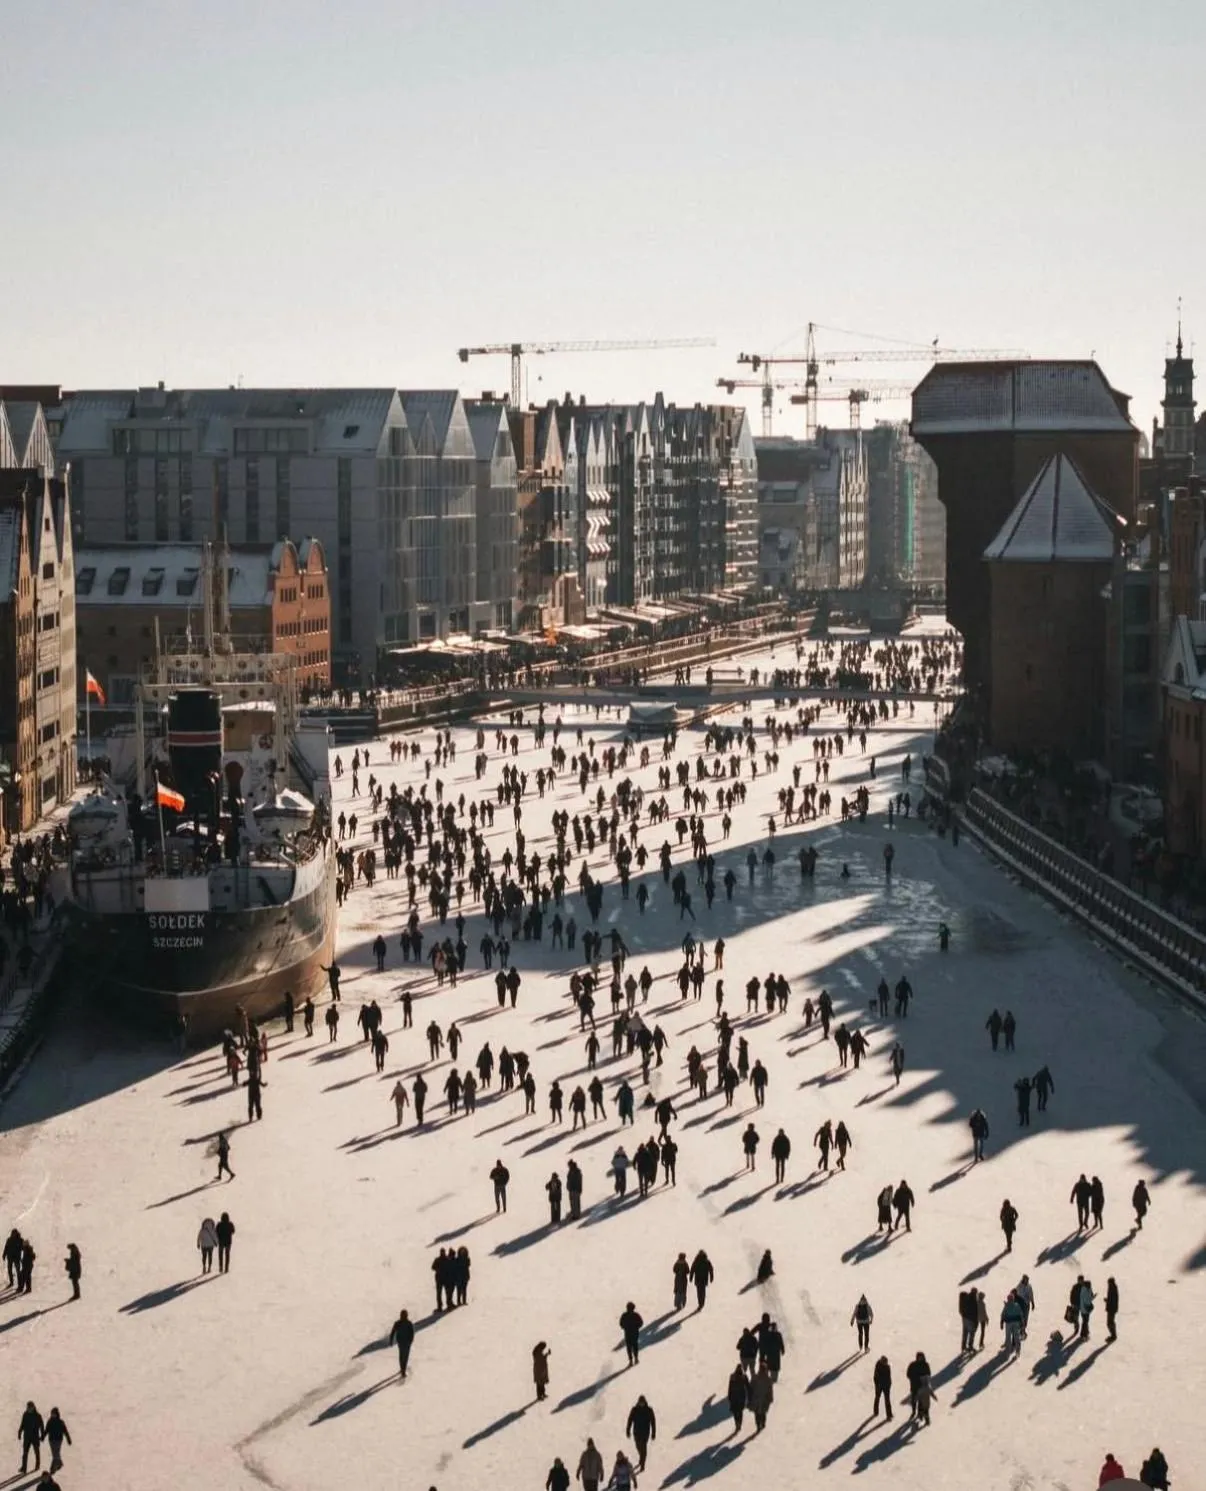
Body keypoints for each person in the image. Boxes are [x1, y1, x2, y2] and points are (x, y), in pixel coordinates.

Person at [625, 1395, 656, 1470]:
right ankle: (641, 1457)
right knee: (638, 1446)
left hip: (645, 1433)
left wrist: (653, 1433)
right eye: (640, 1402)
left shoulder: (649, 1410)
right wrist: (628, 1430)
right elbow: (630, 1420)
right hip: (636, 1432)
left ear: (645, 1402)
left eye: (642, 1402)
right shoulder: (634, 1410)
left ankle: (642, 1464)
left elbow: (653, 1422)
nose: (641, 1404)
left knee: (644, 1448)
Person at [42, 1409, 70, 1474]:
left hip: (58, 1440)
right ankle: (59, 1463)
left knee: (55, 1454)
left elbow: (65, 1431)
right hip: (51, 1440)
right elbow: (46, 1430)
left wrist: (68, 1439)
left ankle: (52, 1468)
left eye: (54, 1414)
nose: (52, 1415)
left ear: (57, 1414)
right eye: (52, 1413)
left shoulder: (61, 1422)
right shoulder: (50, 1421)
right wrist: (43, 1437)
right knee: (55, 1453)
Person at [18, 1403, 43, 1474]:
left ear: (33, 1407)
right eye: (28, 1407)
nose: (29, 1409)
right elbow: (22, 1424)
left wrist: (42, 1435)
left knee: (37, 1452)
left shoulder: (38, 1416)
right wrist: (19, 1432)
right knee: (25, 1453)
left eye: (30, 1407)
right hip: (27, 1437)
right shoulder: (25, 1414)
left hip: (35, 1437)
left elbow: (41, 1426)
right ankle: (24, 1468)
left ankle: (37, 1465)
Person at [389, 1308, 414, 1377]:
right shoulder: (408, 1323)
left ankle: (403, 1369)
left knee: (402, 1355)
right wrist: (410, 1341)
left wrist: (391, 1340)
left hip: (402, 1342)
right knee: (405, 1356)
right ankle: (403, 1369)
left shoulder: (398, 1323)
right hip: (404, 1342)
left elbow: (393, 1332)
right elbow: (412, 1333)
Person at [748, 1363, 774, 1432]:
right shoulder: (768, 1379)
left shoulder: (755, 1377)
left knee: (757, 1414)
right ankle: (763, 1423)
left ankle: (758, 1425)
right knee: (763, 1413)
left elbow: (751, 1388)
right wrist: (770, 1398)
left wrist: (750, 1398)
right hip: (765, 1400)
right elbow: (770, 1390)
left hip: (756, 1399)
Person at [727, 1363, 748, 1434]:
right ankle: (739, 1424)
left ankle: (737, 1423)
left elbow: (730, 1387)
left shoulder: (732, 1376)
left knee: (735, 1412)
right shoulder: (744, 1377)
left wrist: (729, 1396)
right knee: (740, 1412)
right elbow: (747, 1386)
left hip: (734, 1397)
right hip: (741, 1397)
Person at [872, 1355, 893, 1420]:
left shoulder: (887, 1367)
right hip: (879, 1386)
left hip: (886, 1386)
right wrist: (877, 1385)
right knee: (877, 1398)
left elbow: (889, 1377)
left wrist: (889, 1384)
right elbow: (875, 1378)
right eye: (885, 1362)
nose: (886, 1363)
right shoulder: (878, 1367)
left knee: (887, 1400)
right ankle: (876, 1411)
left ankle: (889, 1414)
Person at [1105, 1276, 1119, 1342]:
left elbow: (1113, 1300)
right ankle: (1113, 1335)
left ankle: (1113, 1335)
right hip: (1112, 1308)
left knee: (1109, 1322)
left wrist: (1107, 1301)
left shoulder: (1112, 1288)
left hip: (1111, 1309)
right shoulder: (1113, 1288)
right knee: (1110, 1322)